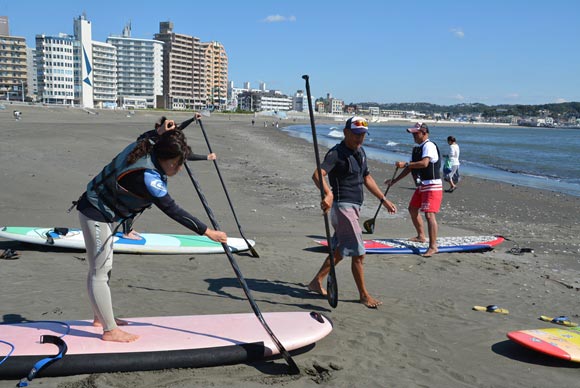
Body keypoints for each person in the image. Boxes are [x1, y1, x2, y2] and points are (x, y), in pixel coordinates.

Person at [75, 130, 227, 342]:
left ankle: (100, 318)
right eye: (177, 163)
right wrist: (207, 232)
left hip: (103, 211)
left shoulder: (150, 144)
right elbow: (172, 209)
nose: (179, 168)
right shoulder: (148, 176)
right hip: (95, 211)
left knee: (103, 267)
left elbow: (152, 135)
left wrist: (163, 131)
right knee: (100, 270)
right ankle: (109, 330)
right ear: (166, 159)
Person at [308, 116, 397, 308]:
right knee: (359, 253)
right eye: (356, 134)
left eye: (363, 134)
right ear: (346, 132)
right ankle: (364, 295)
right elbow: (317, 174)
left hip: (354, 208)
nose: (360, 138)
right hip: (343, 208)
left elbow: (367, 177)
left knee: (340, 250)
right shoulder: (336, 153)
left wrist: (383, 199)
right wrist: (328, 193)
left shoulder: (360, 152)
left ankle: (316, 281)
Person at [122, 115, 216, 240]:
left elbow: (180, 129)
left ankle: (127, 229)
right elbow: (171, 208)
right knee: (133, 203)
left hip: (134, 183)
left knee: (138, 203)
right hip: (130, 183)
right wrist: (208, 232)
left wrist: (192, 119)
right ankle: (125, 231)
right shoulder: (152, 143)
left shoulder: (162, 141)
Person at [386, 122, 442, 258]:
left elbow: (424, 164)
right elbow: (410, 167)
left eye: (416, 133)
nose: (414, 136)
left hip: (433, 185)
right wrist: (395, 181)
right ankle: (421, 236)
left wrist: (405, 163)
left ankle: (433, 246)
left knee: (429, 215)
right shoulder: (417, 149)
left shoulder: (429, 145)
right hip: (422, 185)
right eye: (413, 133)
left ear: (425, 133)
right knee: (412, 209)